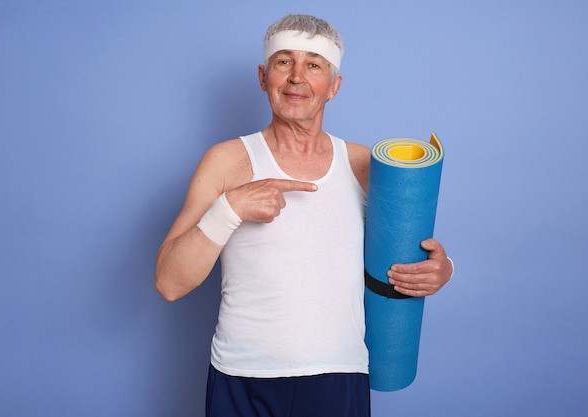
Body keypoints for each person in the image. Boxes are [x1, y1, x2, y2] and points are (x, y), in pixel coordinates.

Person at [155, 14, 453, 417]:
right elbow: (169, 282)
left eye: (313, 64)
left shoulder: (365, 166)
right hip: (241, 377)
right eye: (283, 62)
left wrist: (442, 269)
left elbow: (412, 253)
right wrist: (230, 208)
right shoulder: (226, 162)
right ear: (263, 77)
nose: (297, 77)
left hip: (338, 375)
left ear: (334, 86)